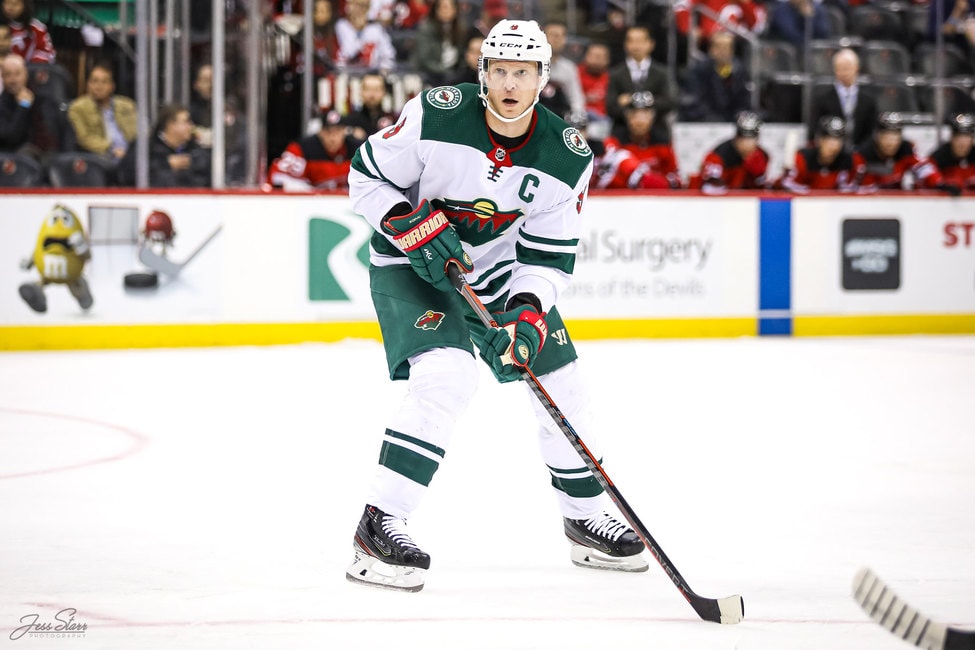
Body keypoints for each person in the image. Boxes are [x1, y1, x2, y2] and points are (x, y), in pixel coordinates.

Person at [344, 19, 647, 593]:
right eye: (501, 70)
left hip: (500, 278)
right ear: (483, 74)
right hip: (415, 272)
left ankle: (584, 518)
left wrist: (529, 312)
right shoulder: (434, 114)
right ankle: (378, 523)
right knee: (448, 376)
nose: (511, 83)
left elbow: (548, 258)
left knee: (563, 382)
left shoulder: (565, 155)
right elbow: (365, 177)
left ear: (542, 79)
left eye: (523, 72)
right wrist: (406, 222)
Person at [854, 112, 959, 195]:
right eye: (887, 136)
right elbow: (850, 185)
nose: (891, 143)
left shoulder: (906, 149)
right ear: (877, 137)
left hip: (896, 204)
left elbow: (922, 167)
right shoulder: (863, 155)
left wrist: (938, 183)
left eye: (895, 137)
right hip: (867, 205)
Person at [595, 91, 682, 189]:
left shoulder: (663, 143)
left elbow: (676, 180)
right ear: (627, 116)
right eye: (634, 114)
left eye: (645, 114)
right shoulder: (614, 143)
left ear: (652, 117)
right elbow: (602, 180)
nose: (640, 120)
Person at [605, 25, 674, 143]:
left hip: (656, 129)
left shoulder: (662, 73)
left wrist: (637, 101)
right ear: (625, 44)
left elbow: (671, 101)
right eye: (631, 41)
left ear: (651, 44)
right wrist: (631, 117)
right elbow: (610, 106)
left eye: (640, 41)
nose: (636, 46)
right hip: (623, 130)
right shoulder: (616, 73)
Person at [267, 109, 362, 189]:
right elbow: (277, 177)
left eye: (337, 131)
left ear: (344, 132)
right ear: (320, 132)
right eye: (328, 132)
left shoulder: (359, 151)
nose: (333, 138)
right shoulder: (302, 148)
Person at [67, 62, 137, 169]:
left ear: (112, 86)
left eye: (104, 82)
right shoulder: (78, 108)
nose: (99, 87)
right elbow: (84, 139)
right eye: (94, 81)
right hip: (103, 157)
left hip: (131, 156)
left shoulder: (127, 105)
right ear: (88, 85)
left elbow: (142, 132)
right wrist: (112, 149)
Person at [0, 53, 68, 163]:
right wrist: (23, 107)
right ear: (2, 78)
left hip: (48, 155)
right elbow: (11, 138)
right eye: (8, 75)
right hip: (17, 161)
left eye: (17, 74)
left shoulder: (41, 98)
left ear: (26, 75)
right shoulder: (2, 105)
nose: (13, 80)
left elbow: (59, 128)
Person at [807, 48, 877, 149]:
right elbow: (814, 130)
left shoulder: (868, 100)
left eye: (848, 67)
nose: (844, 72)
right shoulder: (822, 99)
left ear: (857, 68)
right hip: (831, 155)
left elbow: (872, 132)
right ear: (834, 69)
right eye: (840, 67)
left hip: (861, 153)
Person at [680, 30, 753, 123]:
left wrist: (739, 116)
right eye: (719, 47)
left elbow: (744, 101)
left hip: (732, 121)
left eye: (727, 48)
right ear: (711, 50)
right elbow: (693, 101)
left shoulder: (740, 72)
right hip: (704, 122)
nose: (723, 52)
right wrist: (712, 118)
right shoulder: (698, 72)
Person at [688, 110, 769, 193]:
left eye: (753, 139)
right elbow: (708, 187)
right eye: (745, 139)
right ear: (737, 139)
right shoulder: (718, 156)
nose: (749, 144)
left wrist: (757, 176)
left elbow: (760, 189)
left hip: (746, 200)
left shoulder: (761, 156)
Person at [776, 115, 861, 193]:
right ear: (819, 140)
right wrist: (785, 177)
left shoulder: (851, 161)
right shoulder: (802, 159)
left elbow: (853, 194)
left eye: (838, 140)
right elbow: (783, 190)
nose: (834, 146)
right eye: (828, 139)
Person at [410, 0, 468, 88]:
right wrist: (445, 71)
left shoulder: (461, 30)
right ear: (435, 10)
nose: (446, 10)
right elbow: (426, 61)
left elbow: (462, 55)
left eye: (450, 7)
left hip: (452, 72)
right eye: (443, 7)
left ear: (456, 9)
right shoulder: (426, 29)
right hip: (429, 74)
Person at [335, 0, 397, 72]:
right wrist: (360, 31)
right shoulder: (341, 26)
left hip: (372, 75)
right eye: (358, 5)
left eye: (365, 6)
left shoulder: (376, 29)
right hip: (346, 72)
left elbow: (389, 55)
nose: (361, 9)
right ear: (350, 6)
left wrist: (383, 72)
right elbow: (347, 53)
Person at [543, 22, 586, 117]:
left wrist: (577, 119)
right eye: (553, 35)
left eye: (562, 36)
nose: (557, 39)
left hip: (561, 117)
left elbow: (576, 98)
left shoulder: (569, 68)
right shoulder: (530, 64)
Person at [928, 112, 975, 191]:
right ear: (952, 138)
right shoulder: (938, 158)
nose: (962, 144)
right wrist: (941, 185)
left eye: (967, 138)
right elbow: (925, 179)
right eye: (958, 138)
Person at [345, 71, 398, 140]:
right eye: (367, 89)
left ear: (384, 92)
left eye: (377, 89)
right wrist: (351, 132)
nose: (372, 95)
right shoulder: (351, 120)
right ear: (361, 91)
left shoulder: (393, 120)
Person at [2, 0, 55, 64]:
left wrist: (30, 68)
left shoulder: (37, 28)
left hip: (30, 69)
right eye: (7, 3)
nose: (10, 8)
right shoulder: (2, 26)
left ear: (25, 5)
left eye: (15, 4)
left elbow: (46, 53)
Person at [766, 0, 831, 46]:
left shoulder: (817, 9)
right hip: (786, 56)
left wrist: (809, 18)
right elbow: (790, 33)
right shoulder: (781, 10)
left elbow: (823, 33)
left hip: (812, 55)